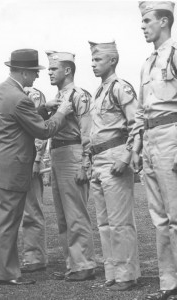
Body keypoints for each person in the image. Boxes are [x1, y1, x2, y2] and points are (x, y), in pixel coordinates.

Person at [0, 48, 72, 285]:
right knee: (8, 223)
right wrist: (62, 112)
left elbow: (18, 118)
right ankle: (7, 274)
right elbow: (42, 130)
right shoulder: (20, 98)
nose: (36, 77)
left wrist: (43, 109)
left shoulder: (1, 90)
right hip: (11, 169)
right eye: (33, 73)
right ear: (23, 72)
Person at [132, 2, 177, 300]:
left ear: (164, 21)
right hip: (149, 139)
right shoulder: (147, 63)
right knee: (159, 218)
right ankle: (169, 283)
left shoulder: (174, 55)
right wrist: (135, 145)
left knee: (175, 217)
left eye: (147, 20)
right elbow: (140, 111)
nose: (143, 25)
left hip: (171, 136)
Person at [88, 40, 140, 291]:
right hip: (98, 161)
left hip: (115, 157)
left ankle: (127, 275)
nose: (93, 64)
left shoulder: (121, 87)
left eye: (98, 60)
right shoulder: (99, 92)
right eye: (93, 60)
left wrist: (126, 157)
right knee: (104, 223)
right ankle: (113, 272)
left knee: (120, 222)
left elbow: (136, 124)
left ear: (113, 61)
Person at [43, 50, 96, 281]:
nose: (49, 72)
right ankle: (72, 264)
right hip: (57, 153)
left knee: (76, 212)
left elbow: (88, 132)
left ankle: (84, 264)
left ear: (67, 70)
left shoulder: (79, 95)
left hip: (73, 152)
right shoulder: (54, 98)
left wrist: (85, 162)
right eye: (49, 68)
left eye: (54, 68)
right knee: (63, 215)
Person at [21, 87, 48, 273]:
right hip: (14, 158)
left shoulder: (33, 94)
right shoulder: (12, 91)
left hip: (29, 158)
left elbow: (40, 128)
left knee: (31, 210)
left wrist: (37, 158)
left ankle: (35, 258)